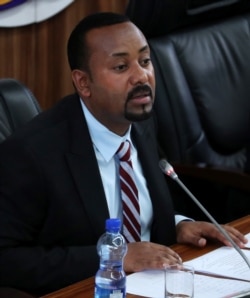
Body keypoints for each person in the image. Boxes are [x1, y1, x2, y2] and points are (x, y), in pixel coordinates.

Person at [0, 12, 247, 296]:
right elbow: (6, 259)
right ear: (83, 83)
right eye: (120, 67)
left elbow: (140, 208)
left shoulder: (141, 120)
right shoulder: (30, 154)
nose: (142, 76)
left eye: (145, 61)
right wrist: (115, 256)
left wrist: (178, 225)